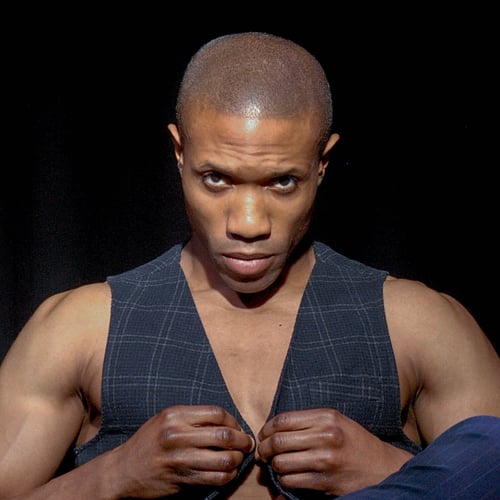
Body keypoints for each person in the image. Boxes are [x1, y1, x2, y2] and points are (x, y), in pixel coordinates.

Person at [0, 31, 499, 500]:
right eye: (216, 178)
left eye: (282, 182)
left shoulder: (419, 326)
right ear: (180, 152)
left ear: (322, 163)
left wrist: (393, 471)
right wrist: (113, 474)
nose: (248, 223)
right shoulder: (81, 328)